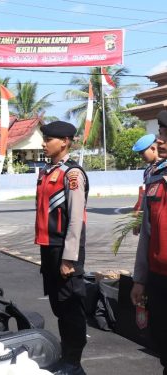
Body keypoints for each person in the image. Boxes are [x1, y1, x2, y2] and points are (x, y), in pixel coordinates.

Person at [34, 121, 89, 375]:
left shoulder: (72, 174)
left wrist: (69, 257)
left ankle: (73, 362)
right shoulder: (46, 171)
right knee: (58, 306)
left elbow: (76, 219)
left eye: (49, 139)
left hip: (65, 250)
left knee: (70, 308)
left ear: (65, 141)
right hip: (49, 248)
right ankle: (67, 356)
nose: (44, 143)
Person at [132, 110, 167, 375]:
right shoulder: (154, 178)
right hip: (158, 277)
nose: (162, 140)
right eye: (162, 134)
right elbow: (147, 232)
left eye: (166, 135)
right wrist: (140, 278)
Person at [132, 134, 164, 235]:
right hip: (150, 216)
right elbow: (146, 195)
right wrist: (139, 217)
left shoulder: (164, 167)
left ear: (153, 148)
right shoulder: (148, 170)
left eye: (142, 153)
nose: (141, 157)